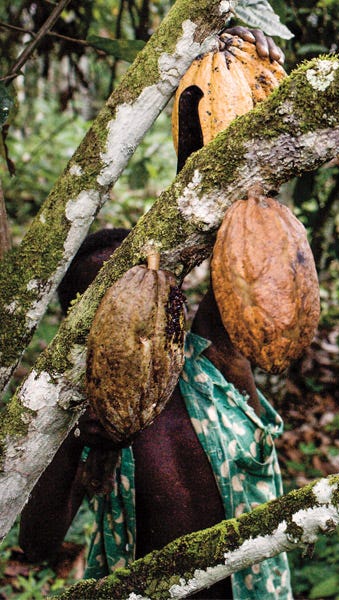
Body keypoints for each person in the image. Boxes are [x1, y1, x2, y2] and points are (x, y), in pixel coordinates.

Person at [18, 27, 292, 599]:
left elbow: (248, 238)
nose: (136, 320)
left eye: (146, 293)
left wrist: (225, 84)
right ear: (83, 325)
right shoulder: (89, 419)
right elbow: (38, 546)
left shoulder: (214, 364)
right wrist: (79, 444)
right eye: (112, 306)